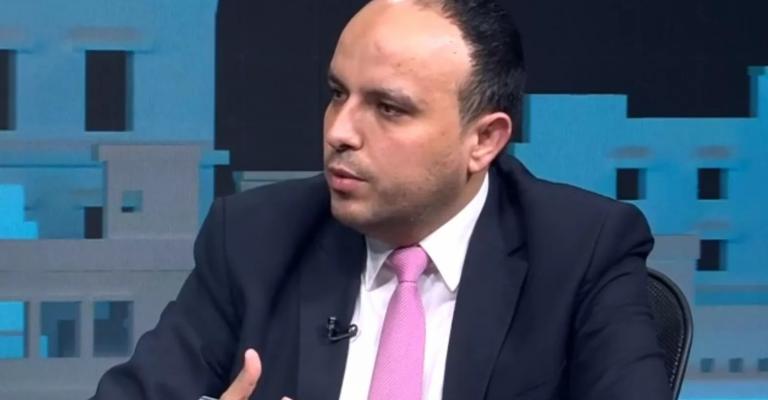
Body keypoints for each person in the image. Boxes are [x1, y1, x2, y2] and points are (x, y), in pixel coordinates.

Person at [92, 0, 671, 399]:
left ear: (483, 140)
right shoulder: (254, 237)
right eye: (336, 94)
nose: (340, 131)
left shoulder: (581, 250)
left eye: (388, 108)